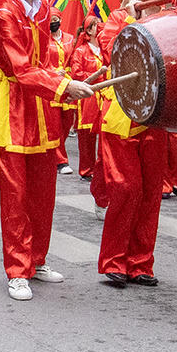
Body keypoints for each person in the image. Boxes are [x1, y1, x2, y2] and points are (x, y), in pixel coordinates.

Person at [0, 0, 98, 301]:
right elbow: (20, 68)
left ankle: (37, 258)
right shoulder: (3, 15)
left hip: (43, 107)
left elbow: (45, 58)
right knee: (15, 195)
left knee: (44, 192)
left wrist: (67, 78)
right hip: (16, 106)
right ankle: (17, 270)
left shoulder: (44, 7)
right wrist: (64, 86)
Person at [96, 0, 177, 285]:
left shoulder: (173, 17)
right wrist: (128, 19)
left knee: (151, 192)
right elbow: (110, 48)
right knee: (126, 188)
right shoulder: (119, 17)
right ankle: (113, 260)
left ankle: (140, 263)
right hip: (122, 116)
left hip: (157, 117)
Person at [68, 15, 109, 215]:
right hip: (88, 95)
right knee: (86, 135)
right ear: (88, 30)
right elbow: (76, 73)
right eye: (94, 26)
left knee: (104, 133)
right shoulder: (81, 51)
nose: (98, 29)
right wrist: (94, 76)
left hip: (104, 94)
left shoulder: (104, 49)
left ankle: (101, 169)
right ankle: (86, 169)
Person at [49, 14, 77, 175]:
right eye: (50, 20)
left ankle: (55, 152)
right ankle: (61, 160)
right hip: (52, 84)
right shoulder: (44, 39)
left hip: (68, 83)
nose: (54, 23)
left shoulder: (70, 38)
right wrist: (53, 72)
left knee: (67, 123)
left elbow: (74, 60)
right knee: (55, 124)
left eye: (56, 19)